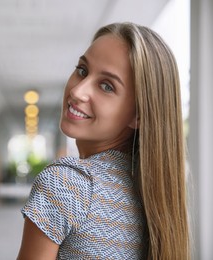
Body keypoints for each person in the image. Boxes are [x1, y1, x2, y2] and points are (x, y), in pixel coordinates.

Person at [17, 22, 189, 260]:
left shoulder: (65, 184)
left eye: (107, 86)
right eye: (82, 70)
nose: (77, 91)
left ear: (138, 114)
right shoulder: (157, 200)